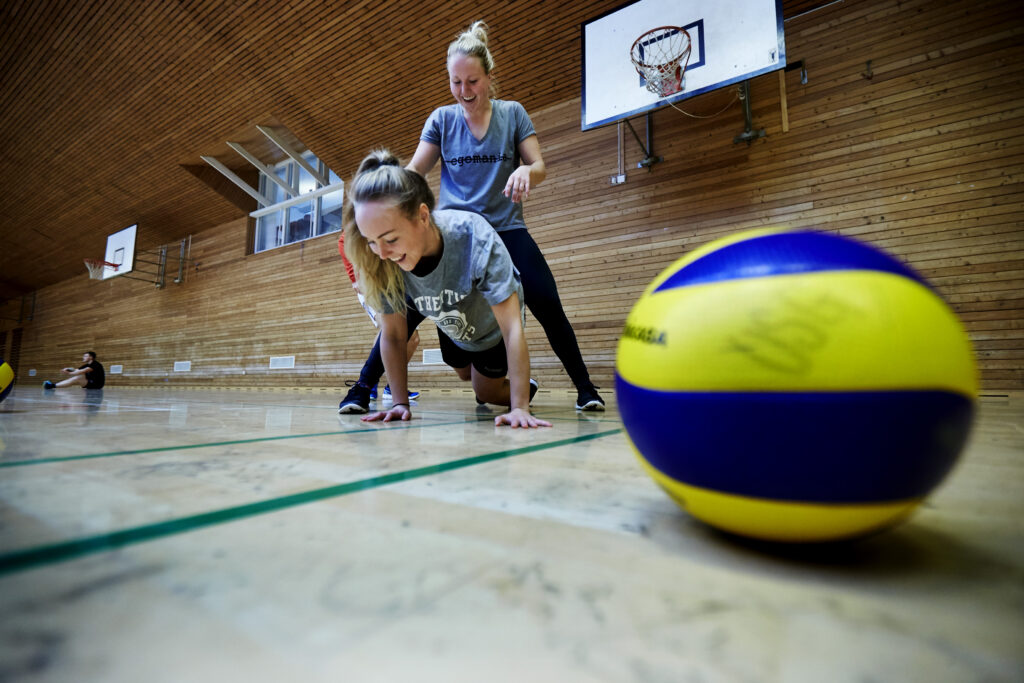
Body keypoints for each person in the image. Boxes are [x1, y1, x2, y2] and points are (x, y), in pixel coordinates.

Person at [406, 20, 605, 412]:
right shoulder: (441, 120)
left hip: (506, 229)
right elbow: (415, 172)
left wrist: (527, 171)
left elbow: (540, 166)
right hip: (457, 237)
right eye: (456, 82)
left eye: (473, 81)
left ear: (489, 76)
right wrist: (387, 196)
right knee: (406, 307)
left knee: (546, 301)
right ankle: (362, 387)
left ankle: (585, 388)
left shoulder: (513, 114)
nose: (464, 91)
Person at [343, 149, 551, 429]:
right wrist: (400, 403)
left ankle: (524, 387)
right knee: (464, 374)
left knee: (484, 392)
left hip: (491, 333)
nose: (381, 253)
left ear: (423, 216)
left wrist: (520, 408)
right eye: (371, 241)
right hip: (452, 322)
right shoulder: (381, 260)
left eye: (390, 239)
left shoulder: (474, 237)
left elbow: (512, 328)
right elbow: (393, 335)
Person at [338, 232, 421, 407]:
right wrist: (356, 278)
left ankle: (391, 386)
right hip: (372, 285)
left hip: (396, 283)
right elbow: (346, 241)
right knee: (393, 331)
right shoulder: (351, 234)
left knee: (413, 339)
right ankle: (369, 382)